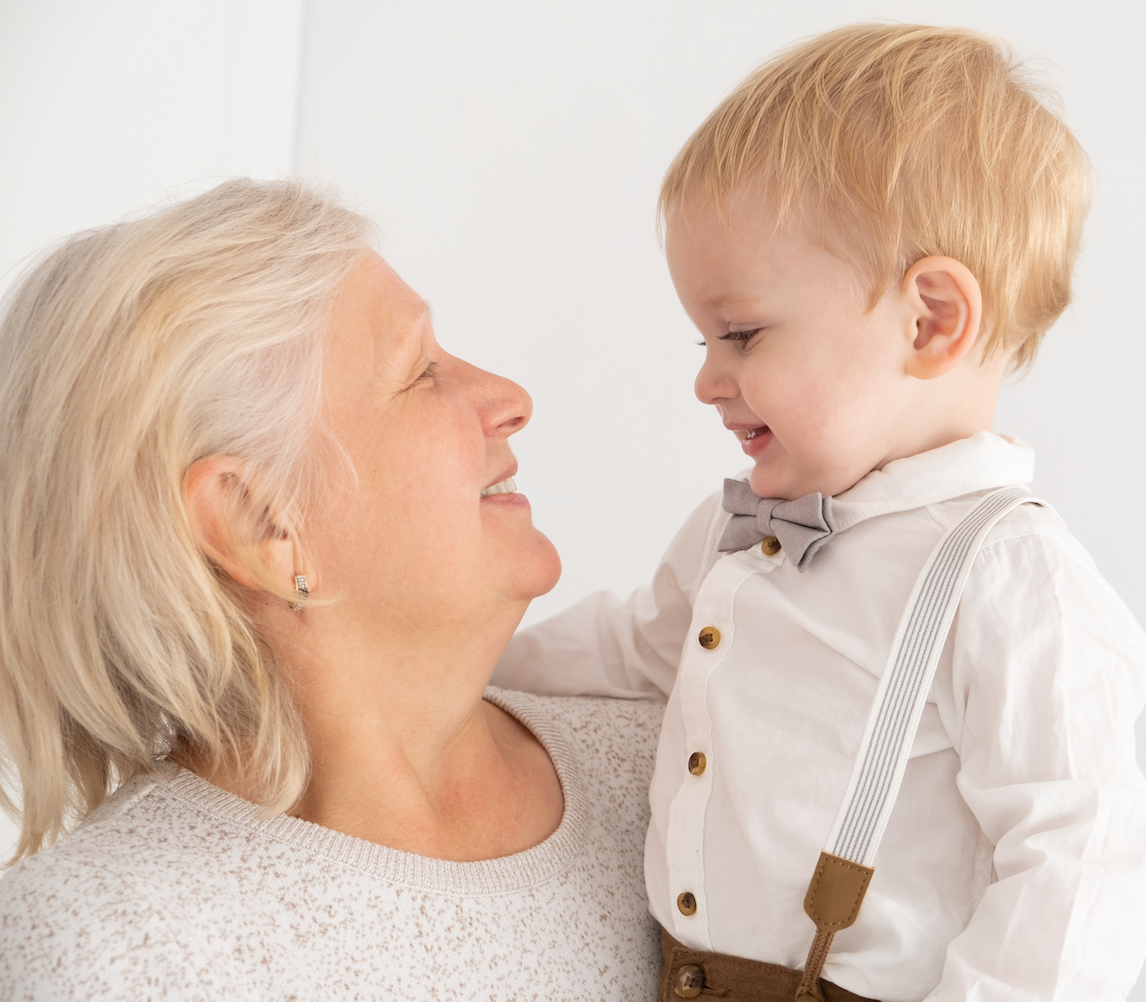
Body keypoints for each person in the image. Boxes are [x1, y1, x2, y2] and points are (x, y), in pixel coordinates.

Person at [491, 24, 1146, 1002]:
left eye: (740, 334)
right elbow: (634, 650)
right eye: (702, 340)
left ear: (930, 320)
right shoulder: (735, 530)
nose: (706, 381)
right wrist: (462, 668)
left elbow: (1086, 849)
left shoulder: (1013, 578)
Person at [0, 179, 663, 999]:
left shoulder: (684, 778)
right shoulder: (95, 948)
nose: (510, 400)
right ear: (262, 522)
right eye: (421, 372)